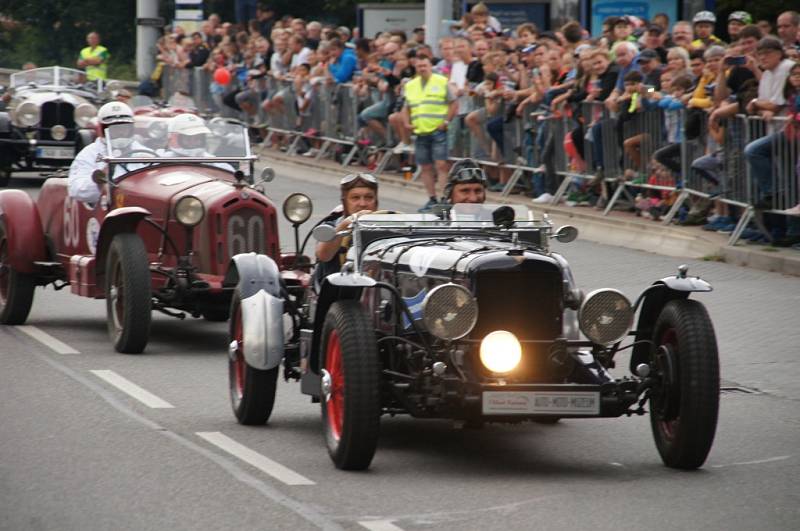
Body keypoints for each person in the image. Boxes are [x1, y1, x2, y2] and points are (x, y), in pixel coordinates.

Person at [401, 55, 457, 212]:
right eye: (419, 66)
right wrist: (406, 123)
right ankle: (432, 199)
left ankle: (444, 199)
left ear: (430, 66)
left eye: (425, 65)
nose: (422, 68)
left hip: (438, 130)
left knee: (441, 165)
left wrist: (446, 122)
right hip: (421, 131)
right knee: (425, 166)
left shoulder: (440, 81)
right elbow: (406, 107)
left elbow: (453, 102)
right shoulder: (411, 85)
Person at [68, 102, 146, 203]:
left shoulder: (144, 152)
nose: (120, 132)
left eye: (124, 128)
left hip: (139, 204)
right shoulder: (89, 154)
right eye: (114, 129)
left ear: (131, 128)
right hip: (104, 208)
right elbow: (76, 190)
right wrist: (101, 177)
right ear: (102, 129)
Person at [315, 173, 379, 281]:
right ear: (345, 202)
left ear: (376, 201)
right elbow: (323, 255)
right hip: (337, 292)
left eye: (369, 197)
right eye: (355, 198)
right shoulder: (331, 225)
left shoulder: (387, 226)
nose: (362, 203)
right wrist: (346, 225)